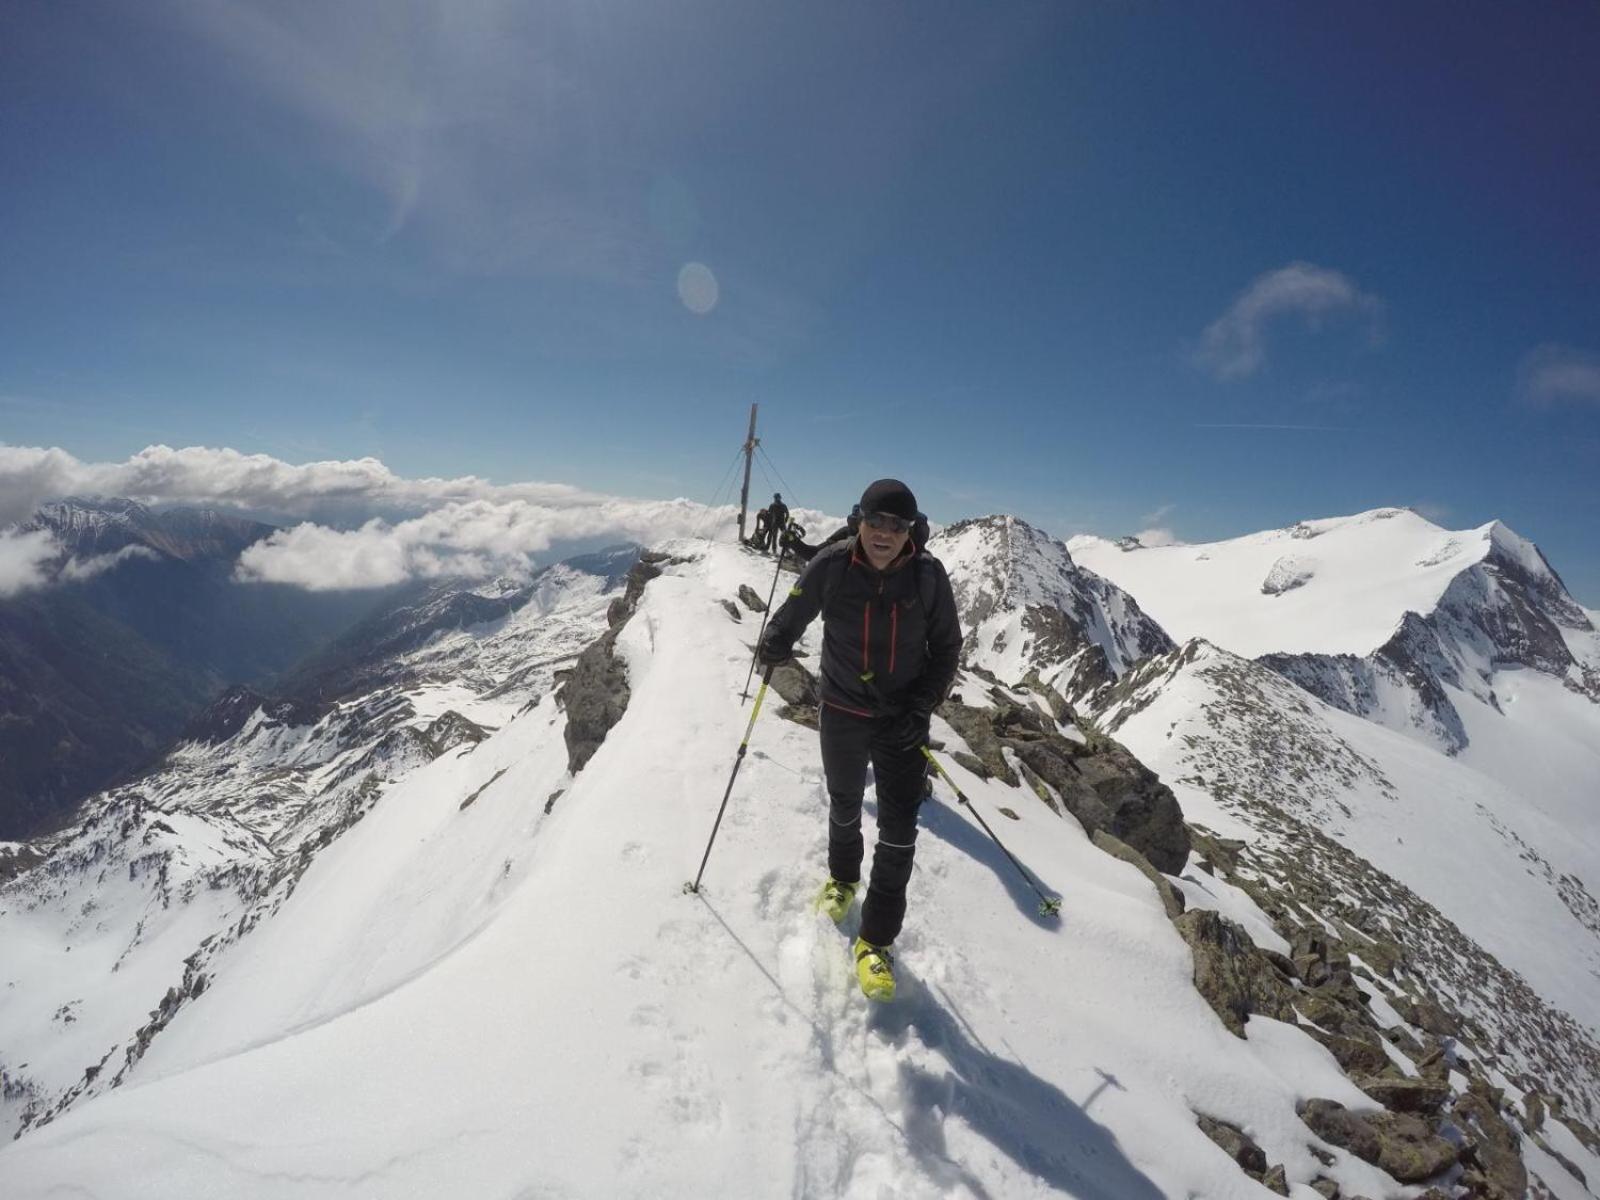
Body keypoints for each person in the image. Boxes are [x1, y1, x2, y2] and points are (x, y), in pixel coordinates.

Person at [758, 479, 962, 1001]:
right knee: (845, 803)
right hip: (844, 711)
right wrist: (776, 640)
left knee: (899, 833)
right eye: (876, 522)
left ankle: (876, 942)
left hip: (902, 722)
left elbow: (945, 652)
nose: (884, 534)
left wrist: (920, 709)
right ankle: (843, 879)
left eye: (896, 525)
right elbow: (794, 612)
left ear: (911, 530)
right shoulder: (831, 565)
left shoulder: (928, 577)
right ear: (858, 521)